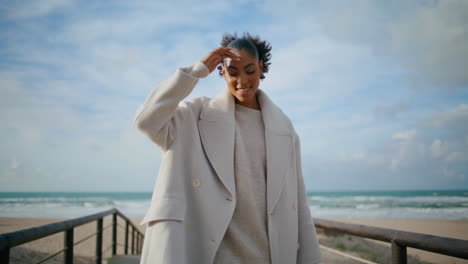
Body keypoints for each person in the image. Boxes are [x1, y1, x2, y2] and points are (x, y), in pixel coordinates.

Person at [133, 32, 322, 264]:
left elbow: (298, 203)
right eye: (233, 72)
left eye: (250, 71)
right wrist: (196, 70)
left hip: (269, 255)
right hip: (212, 255)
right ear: (221, 72)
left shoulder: (284, 129)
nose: (242, 81)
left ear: (261, 68)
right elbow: (146, 120)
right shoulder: (193, 115)